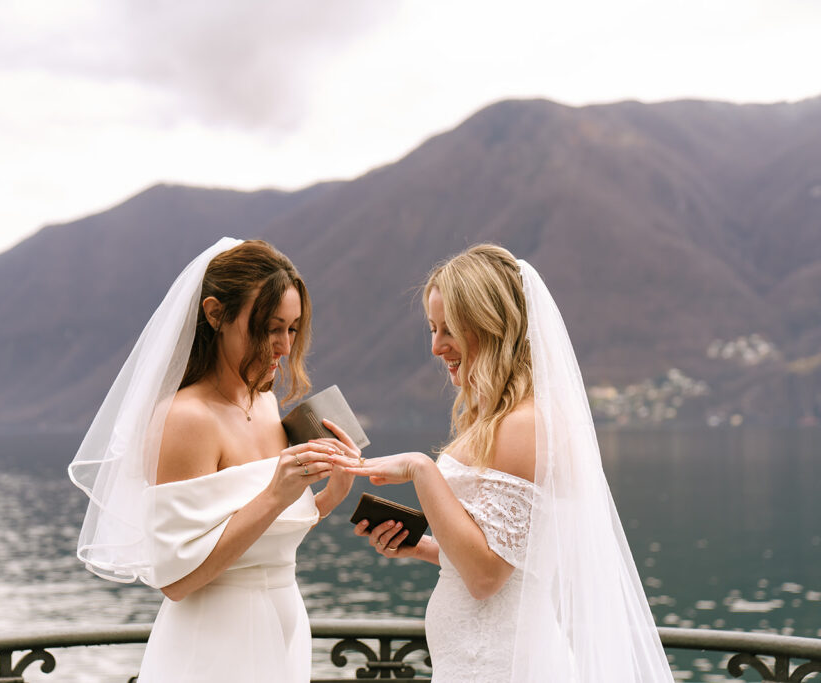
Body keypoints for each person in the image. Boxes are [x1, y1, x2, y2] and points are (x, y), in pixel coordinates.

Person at [345, 244, 673, 682]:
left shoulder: (523, 426)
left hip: (503, 665)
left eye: (449, 330)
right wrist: (424, 548)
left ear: (490, 327)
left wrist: (421, 471)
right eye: (432, 328)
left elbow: (486, 577)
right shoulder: (499, 419)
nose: (436, 346)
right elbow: (506, 558)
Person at [68, 238, 360, 682]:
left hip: (285, 630)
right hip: (216, 644)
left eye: (293, 328)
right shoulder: (186, 418)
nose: (283, 346)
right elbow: (175, 580)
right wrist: (276, 495)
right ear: (215, 314)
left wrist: (330, 495)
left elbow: (265, 538)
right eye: (269, 327)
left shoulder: (263, 403)